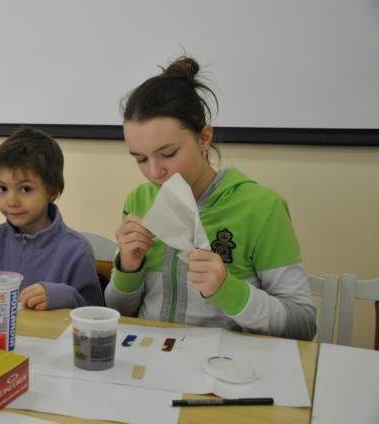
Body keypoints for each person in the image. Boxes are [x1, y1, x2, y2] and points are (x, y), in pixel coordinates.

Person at [105, 56, 316, 340]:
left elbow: (302, 325)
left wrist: (229, 291)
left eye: (168, 154)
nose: (154, 173)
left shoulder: (261, 207)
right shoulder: (139, 201)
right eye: (140, 159)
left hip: (225, 361)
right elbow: (119, 311)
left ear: (204, 138)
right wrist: (128, 268)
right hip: (150, 354)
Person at [0, 127, 104, 310]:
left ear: (51, 191)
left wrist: (63, 296)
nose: (11, 201)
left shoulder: (76, 250)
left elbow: (94, 313)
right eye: (2, 189)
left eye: (25, 189)